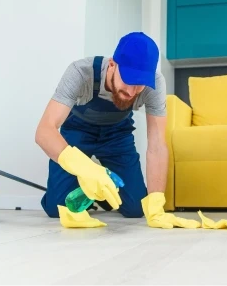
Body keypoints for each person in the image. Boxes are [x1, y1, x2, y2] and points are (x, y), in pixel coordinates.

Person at [35, 32, 200, 229]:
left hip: (117, 136)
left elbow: (157, 145)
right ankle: (89, 184)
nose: (131, 92)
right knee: (57, 208)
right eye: (129, 80)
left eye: (139, 84)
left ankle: (104, 191)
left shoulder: (154, 85)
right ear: (113, 65)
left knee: (136, 209)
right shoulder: (80, 72)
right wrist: (85, 168)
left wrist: (156, 203)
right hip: (77, 133)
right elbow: (44, 131)